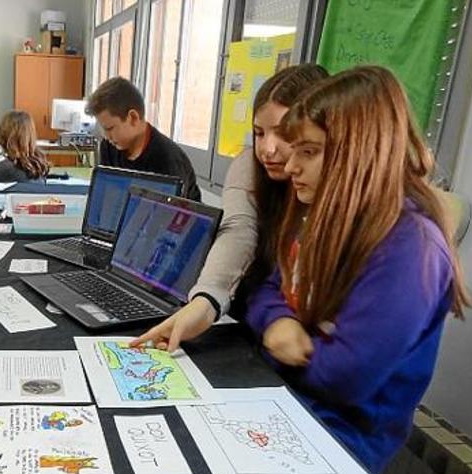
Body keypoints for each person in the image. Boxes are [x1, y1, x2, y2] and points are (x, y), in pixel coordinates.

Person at [248, 66, 471, 474]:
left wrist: (278, 343)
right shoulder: (321, 216)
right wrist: (279, 322)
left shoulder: (410, 245)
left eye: (309, 152)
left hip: (340, 442)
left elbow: (346, 377)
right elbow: (267, 291)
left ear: (358, 153)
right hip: (286, 403)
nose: (292, 167)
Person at [133, 64, 330, 351]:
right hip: (256, 312)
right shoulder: (249, 166)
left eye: (284, 133)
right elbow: (239, 230)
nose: (268, 149)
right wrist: (206, 301)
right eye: (259, 133)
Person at [86, 76, 201, 201]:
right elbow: (107, 196)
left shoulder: (168, 160)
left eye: (110, 128)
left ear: (133, 118)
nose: (107, 137)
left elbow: (169, 216)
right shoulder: (109, 146)